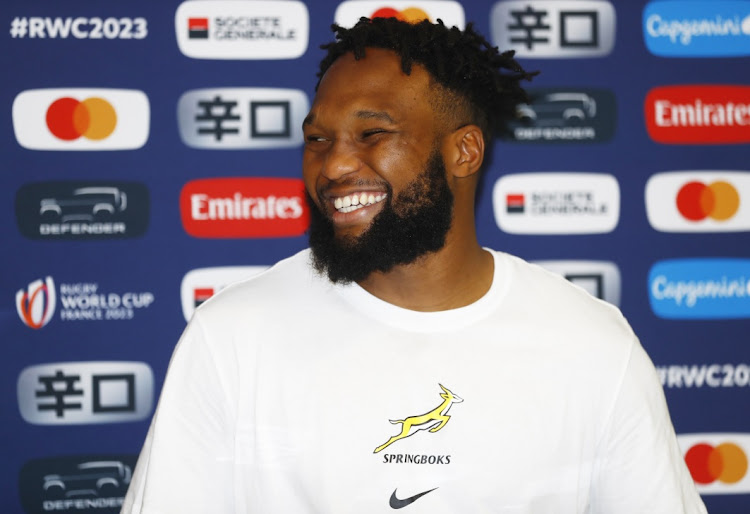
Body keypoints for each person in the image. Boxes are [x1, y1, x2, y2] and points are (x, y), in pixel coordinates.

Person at [122, 17, 707, 513]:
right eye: (317, 140)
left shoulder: (593, 345)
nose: (331, 167)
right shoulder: (230, 338)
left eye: (372, 133)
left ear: (464, 151)